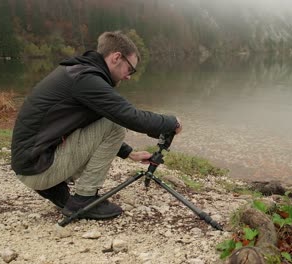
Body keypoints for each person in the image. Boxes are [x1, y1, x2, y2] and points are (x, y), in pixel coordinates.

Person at [11, 31, 182, 219]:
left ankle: (54, 189)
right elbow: (130, 116)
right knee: (115, 125)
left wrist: (128, 153)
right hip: (37, 168)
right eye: (130, 69)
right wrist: (171, 122)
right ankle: (85, 199)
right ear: (117, 57)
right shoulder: (86, 79)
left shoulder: (79, 72)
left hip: (31, 163)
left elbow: (89, 123)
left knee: (108, 119)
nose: (128, 77)